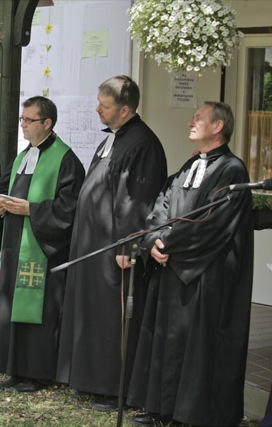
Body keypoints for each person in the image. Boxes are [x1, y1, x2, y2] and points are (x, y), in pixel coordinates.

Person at [127, 102, 253, 427]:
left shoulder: (232, 170)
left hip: (205, 273)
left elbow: (212, 223)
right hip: (173, 267)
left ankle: (190, 415)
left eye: (198, 118)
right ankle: (161, 409)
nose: (190, 122)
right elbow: (162, 205)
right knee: (166, 341)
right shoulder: (190, 165)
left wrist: (168, 244)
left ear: (218, 127)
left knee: (196, 346)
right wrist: (153, 241)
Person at [57, 75, 167, 409]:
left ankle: (113, 389)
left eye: (104, 106)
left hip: (114, 249)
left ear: (125, 110)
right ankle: (91, 380)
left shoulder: (143, 144)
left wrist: (128, 245)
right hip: (93, 244)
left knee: (113, 318)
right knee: (94, 315)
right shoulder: (114, 138)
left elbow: (138, 201)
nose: (97, 110)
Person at [0, 96, 85, 392]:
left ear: (47, 123)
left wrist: (31, 210)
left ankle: (37, 374)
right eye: (22, 119)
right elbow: (3, 188)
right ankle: (14, 370)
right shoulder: (22, 156)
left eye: (29, 120)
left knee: (38, 311)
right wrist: (0, 205)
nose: (23, 125)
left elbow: (69, 209)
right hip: (15, 243)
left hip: (42, 249)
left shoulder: (65, 160)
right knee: (12, 306)